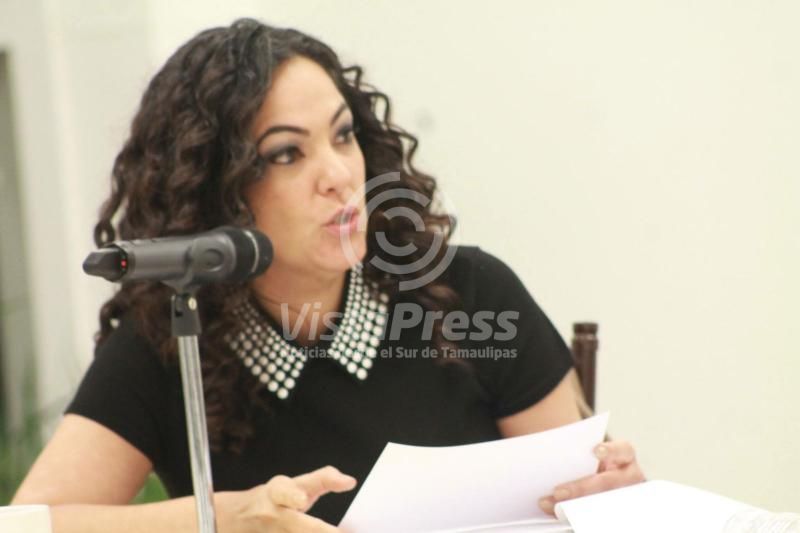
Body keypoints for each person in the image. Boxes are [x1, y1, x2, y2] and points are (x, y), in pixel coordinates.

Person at [11, 18, 645, 532]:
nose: (339, 175)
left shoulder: (467, 295)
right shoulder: (171, 341)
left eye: (343, 137)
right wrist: (222, 521)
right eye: (288, 153)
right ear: (215, 189)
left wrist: (614, 496)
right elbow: (26, 526)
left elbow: (588, 495)